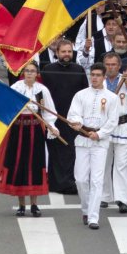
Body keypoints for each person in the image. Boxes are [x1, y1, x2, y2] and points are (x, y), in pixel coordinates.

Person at [0, 61, 59, 216]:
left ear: (37, 74)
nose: (29, 74)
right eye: (27, 71)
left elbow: (49, 112)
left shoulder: (42, 90)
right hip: (18, 130)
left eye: (32, 71)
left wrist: (52, 127)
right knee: (18, 165)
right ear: (23, 73)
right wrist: (16, 106)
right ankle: (21, 205)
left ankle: (34, 205)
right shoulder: (16, 88)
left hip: (36, 130)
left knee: (35, 166)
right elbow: (5, 107)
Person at [67, 62, 120, 229]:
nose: (95, 78)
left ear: (104, 77)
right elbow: (73, 114)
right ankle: (86, 209)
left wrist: (100, 134)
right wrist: (78, 124)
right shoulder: (80, 95)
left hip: (100, 142)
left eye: (98, 75)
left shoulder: (112, 97)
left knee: (97, 180)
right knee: (81, 179)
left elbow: (113, 121)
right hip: (83, 140)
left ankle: (93, 217)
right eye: (93, 75)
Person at [41, 38, 89, 194]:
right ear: (57, 53)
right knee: (56, 150)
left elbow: (84, 93)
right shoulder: (48, 69)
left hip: (74, 117)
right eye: (63, 52)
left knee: (70, 150)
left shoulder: (79, 69)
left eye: (69, 51)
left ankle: (69, 182)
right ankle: (55, 183)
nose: (67, 54)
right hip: (54, 116)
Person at [101, 51, 127, 213]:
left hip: (123, 126)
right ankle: (105, 196)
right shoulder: (99, 81)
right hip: (105, 127)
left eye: (113, 65)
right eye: (108, 64)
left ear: (119, 66)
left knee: (120, 165)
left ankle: (122, 199)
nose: (110, 68)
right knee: (104, 163)